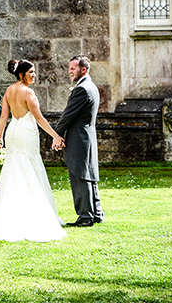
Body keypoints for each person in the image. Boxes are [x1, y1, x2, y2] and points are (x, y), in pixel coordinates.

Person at [0, 59, 66, 242]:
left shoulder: (9, 91)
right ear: (21, 74)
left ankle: (9, 215)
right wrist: (55, 135)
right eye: (31, 72)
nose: (34, 75)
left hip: (12, 131)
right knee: (29, 169)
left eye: (34, 72)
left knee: (13, 170)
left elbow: (4, 115)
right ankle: (32, 216)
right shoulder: (28, 93)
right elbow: (40, 119)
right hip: (26, 133)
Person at [53, 55, 105, 227]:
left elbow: (68, 115)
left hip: (79, 138)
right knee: (89, 176)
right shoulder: (91, 86)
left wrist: (56, 135)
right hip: (87, 136)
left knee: (80, 175)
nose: (69, 71)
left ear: (83, 69)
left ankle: (85, 216)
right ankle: (96, 213)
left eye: (73, 68)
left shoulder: (82, 89)